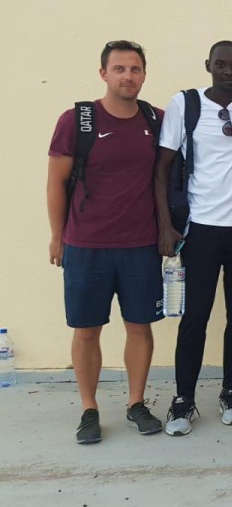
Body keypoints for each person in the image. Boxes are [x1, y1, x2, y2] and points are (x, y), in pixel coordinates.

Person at [47, 40, 163, 444]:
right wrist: (57, 236)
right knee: (86, 330)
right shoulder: (77, 120)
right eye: (119, 69)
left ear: (144, 74)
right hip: (86, 244)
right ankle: (89, 409)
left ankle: (136, 403)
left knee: (140, 326)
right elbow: (57, 182)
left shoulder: (156, 119)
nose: (127, 76)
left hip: (140, 245)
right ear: (103, 74)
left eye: (135, 69)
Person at [155, 41, 232, 436]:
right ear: (208, 65)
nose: (227, 70)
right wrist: (165, 226)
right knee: (195, 318)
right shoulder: (185, 105)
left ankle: (230, 391)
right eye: (220, 64)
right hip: (201, 228)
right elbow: (162, 167)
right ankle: (183, 400)